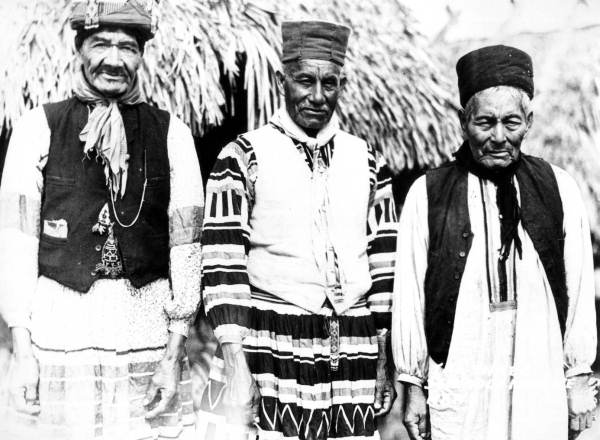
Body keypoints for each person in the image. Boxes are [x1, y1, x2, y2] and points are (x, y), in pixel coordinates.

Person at [0, 1, 203, 438]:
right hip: (61, 329)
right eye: (100, 44)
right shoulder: (38, 128)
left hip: (144, 328)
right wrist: (22, 348)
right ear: (79, 49)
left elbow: (186, 245)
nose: (114, 60)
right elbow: (15, 242)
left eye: (127, 47)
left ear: (142, 55)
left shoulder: (173, 134)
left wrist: (173, 351)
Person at [196, 20, 398, 440]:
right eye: (305, 80)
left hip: (352, 356)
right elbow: (221, 260)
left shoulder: (367, 162)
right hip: (267, 350)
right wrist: (236, 362)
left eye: (330, 83)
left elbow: (385, 264)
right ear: (281, 79)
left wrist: (383, 358)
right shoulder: (243, 156)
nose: (318, 96)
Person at [392, 44, 598, 440]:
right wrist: (412, 382)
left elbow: (578, 288)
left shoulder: (559, 188)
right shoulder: (428, 194)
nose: (499, 137)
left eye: (512, 122)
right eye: (485, 122)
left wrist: (577, 376)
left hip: (538, 365)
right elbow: (410, 295)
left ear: (530, 122)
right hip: (461, 373)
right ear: (462, 121)